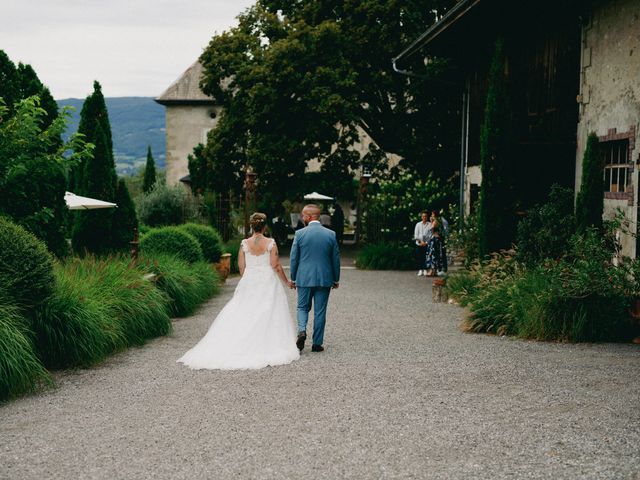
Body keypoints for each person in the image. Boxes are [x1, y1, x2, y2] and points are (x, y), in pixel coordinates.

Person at [177, 213, 300, 370]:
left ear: (251, 226)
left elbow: (242, 267)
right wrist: (287, 281)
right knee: (267, 312)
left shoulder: (244, 244)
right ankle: (263, 343)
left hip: (250, 280)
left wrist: (249, 278)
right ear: (264, 226)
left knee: (244, 311)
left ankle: (239, 341)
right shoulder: (270, 243)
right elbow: (275, 265)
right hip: (267, 281)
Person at [289, 204, 341, 353]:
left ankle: (302, 330)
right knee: (320, 311)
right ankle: (317, 344)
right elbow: (335, 259)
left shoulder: (300, 234)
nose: (302, 217)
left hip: (304, 277)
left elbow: (294, 258)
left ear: (309, 217)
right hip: (324, 278)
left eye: (303, 215)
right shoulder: (330, 234)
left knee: (302, 307)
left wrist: (293, 278)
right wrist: (335, 278)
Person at [425, 210, 447, 276]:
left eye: (432, 214)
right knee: (434, 254)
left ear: (435, 215)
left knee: (433, 254)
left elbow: (430, 230)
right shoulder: (439, 221)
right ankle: (434, 270)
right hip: (436, 239)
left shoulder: (436, 221)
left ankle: (433, 270)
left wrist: (431, 222)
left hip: (434, 239)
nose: (431, 216)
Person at [414, 211, 432, 276]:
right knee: (419, 257)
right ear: (421, 217)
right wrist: (421, 242)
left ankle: (425, 269)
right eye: (423, 216)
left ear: (427, 217)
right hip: (419, 243)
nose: (424, 217)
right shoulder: (418, 224)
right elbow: (416, 235)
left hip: (426, 244)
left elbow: (430, 235)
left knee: (425, 257)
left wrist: (426, 243)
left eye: (425, 216)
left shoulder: (429, 224)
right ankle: (420, 270)